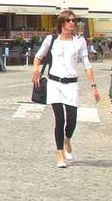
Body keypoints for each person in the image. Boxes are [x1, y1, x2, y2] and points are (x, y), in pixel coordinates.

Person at [31, 9, 100, 169]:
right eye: (69, 20)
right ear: (62, 23)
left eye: (73, 21)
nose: (72, 23)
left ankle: (67, 139)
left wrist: (94, 87)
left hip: (71, 84)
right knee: (59, 120)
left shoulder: (79, 41)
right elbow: (38, 56)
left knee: (72, 119)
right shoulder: (51, 39)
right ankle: (59, 153)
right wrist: (35, 69)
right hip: (55, 83)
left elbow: (87, 65)